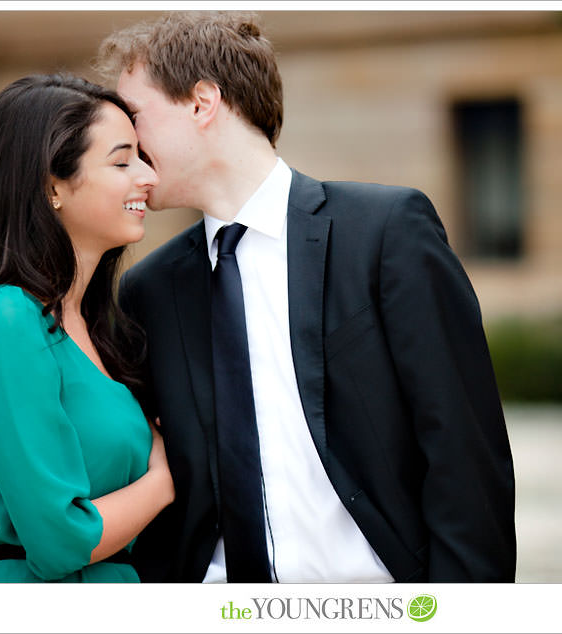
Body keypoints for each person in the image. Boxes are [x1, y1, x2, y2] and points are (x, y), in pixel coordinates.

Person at [97, 11, 516, 583]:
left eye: (134, 116)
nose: (125, 140)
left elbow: (465, 455)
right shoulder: (149, 290)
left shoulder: (386, 232)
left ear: (202, 102)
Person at [0, 74, 174, 582]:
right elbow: (61, 539)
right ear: (53, 185)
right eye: (122, 161)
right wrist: (165, 479)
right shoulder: (4, 318)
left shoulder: (101, 325)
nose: (147, 177)